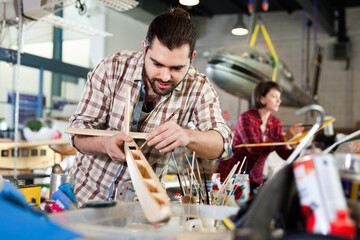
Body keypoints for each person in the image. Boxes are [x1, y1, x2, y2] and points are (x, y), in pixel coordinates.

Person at [68, 7, 233, 206]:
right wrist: (104, 144)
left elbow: (223, 144)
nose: (165, 76)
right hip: (86, 197)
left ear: (192, 57)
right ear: (145, 48)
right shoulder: (112, 68)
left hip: (143, 207)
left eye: (177, 68)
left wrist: (187, 136)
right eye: (157, 64)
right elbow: (77, 134)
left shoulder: (198, 87)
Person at [216, 81, 304, 194]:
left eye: (279, 97)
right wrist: (285, 139)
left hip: (254, 178)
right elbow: (253, 149)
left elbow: (284, 154)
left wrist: (295, 145)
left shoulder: (276, 123)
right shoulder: (246, 118)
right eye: (274, 96)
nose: (279, 100)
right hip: (231, 176)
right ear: (262, 99)